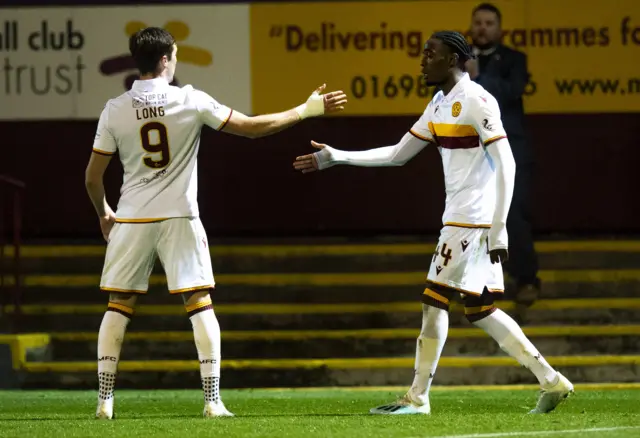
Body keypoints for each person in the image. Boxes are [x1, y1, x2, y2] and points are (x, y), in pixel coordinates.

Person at [293, 31, 572, 415]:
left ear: (454, 59)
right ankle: (551, 380)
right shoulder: (440, 104)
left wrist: (499, 226)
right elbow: (397, 154)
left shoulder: (477, 100)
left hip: (471, 223)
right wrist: (337, 156)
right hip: (460, 220)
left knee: (433, 301)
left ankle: (417, 398)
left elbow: (507, 162)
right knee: (480, 310)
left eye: (431, 54)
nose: (423, 60)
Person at [85, 27, 347, 420]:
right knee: (199, 304)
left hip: (132, 216)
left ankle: (104, 401)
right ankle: (212, 401)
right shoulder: (190, 100)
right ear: (165, 60)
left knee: (118, 305)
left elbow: (91, 177)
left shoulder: (114, 108)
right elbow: (253, 128)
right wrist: (306, 110)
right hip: (180, 216)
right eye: (173, 55)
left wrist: (105, 213)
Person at [466, 3, 540, 322]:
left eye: (489, 23)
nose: (483, 28)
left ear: (499, 28)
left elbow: (511, 92)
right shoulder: (456, 58)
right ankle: (475, 288)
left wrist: (478, 77)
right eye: (478, 23)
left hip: (509, 150)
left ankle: (526, 279)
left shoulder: (514, 60)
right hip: (469, 153)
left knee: (511, 214)